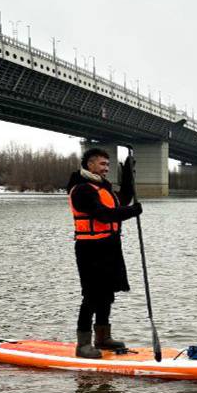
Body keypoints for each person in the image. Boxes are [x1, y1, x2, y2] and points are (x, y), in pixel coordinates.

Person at [66, 147, 143, 358]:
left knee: (107, 293)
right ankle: (82, 345)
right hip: (90, 249)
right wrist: (132, 212)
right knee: (91, 295)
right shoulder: (82, 189)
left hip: (109, 246)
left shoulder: (103, 187)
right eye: (102, 164)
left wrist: (128, 173)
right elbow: (103, 215)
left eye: (108, 165)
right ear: (90, 164)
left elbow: (124, 198)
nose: (106, 168)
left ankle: (102, 338)